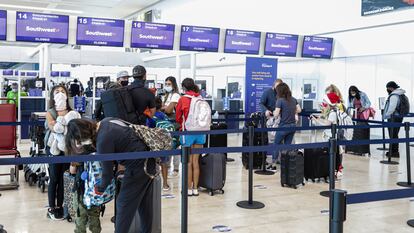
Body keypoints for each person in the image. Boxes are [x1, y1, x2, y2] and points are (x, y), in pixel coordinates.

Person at [65, 118, 155, 233]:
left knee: (123, 205)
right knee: (144, 205)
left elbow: (107, 174)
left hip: (137, 168)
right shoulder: (106, 122)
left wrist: (99, 189)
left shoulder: (103, 140)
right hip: (148, 163)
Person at [44, 85, 73, 220]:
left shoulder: (72, 111)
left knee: (63, 178)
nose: (60, 94)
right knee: (54, 178)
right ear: (53, 96)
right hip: (54, 148)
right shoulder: (50, 111)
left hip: (67, 149)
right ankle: (51, 207)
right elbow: (54, 127)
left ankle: (60, 206)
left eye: (63, 92)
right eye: (57, 92)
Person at [176, 78, 206, 196]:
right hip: (200, 132)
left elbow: (178, 117)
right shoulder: (200, 98)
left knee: (187, 162)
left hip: (187, 132)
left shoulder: (183, 99)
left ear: (184, 88)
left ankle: (188, 189)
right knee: (195, 161)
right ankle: (195, 189)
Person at [310, 92, 350, 179]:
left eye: (325, 102)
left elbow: (327, 124)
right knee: (333, 155)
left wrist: (316, 120)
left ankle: (333, 172)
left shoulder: (332, 113)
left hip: (331, 137)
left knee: (332, 156)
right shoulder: (333, 111)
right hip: (331, 136)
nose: (324, 104)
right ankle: (332, 171)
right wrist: (318, 118)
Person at [268, 83, 301, 170]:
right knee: (287, 145)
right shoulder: (294, 100)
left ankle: (273, 164)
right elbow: (299, 110)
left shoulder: (280, 100)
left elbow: (276, 114)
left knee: (276, 144)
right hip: (293, 126)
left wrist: (273, 112)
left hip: (283, 126)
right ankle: (286, 164)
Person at [68, 151, 102, 233]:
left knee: (80, 219)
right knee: (94, 219)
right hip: (94, 191)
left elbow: (72, 171)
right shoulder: (97, 151)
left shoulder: (77, 153)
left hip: (81, 189)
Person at [147, 97, 173, 191]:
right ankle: (165, 184)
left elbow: (148, 128)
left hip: (153, 142)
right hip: (163, 141)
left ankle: (153, 182)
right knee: (164, 163)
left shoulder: (150, 116)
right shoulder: (164, 115)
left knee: (152, 163)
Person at [161, 76, 181, 176]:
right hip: (167, 123)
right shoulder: (167, 95)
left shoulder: (176, 95)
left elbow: (168, 110)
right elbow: (163, 107)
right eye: (166, 84)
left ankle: (176, 168)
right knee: (167, 145)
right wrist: (165, 107)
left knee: (175, 145)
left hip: (175, 124)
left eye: (169, 84)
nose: (167, 86)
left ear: (173, 85)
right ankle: (167, 166)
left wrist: (164, 107)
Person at [383, 81, 408, 158]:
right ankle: (394, 151)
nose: (387, 90)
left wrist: (386, 115)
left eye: (387, 88)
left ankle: (394, 152)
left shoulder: (394, 95)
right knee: (395, 134)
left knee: (392, 135)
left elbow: (392, 107)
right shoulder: (401, 94)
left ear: (390, 87)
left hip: (393, 117)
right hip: (399, 116)